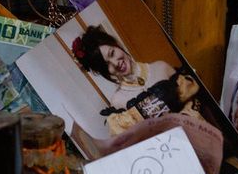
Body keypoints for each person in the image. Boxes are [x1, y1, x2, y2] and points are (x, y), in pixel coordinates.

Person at [72, 25, 204, 131]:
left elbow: (195, 98)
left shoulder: (160, 67)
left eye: (112, 53)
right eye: (106, 65)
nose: (115, 63)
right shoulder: (118, 101)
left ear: (116, 44)